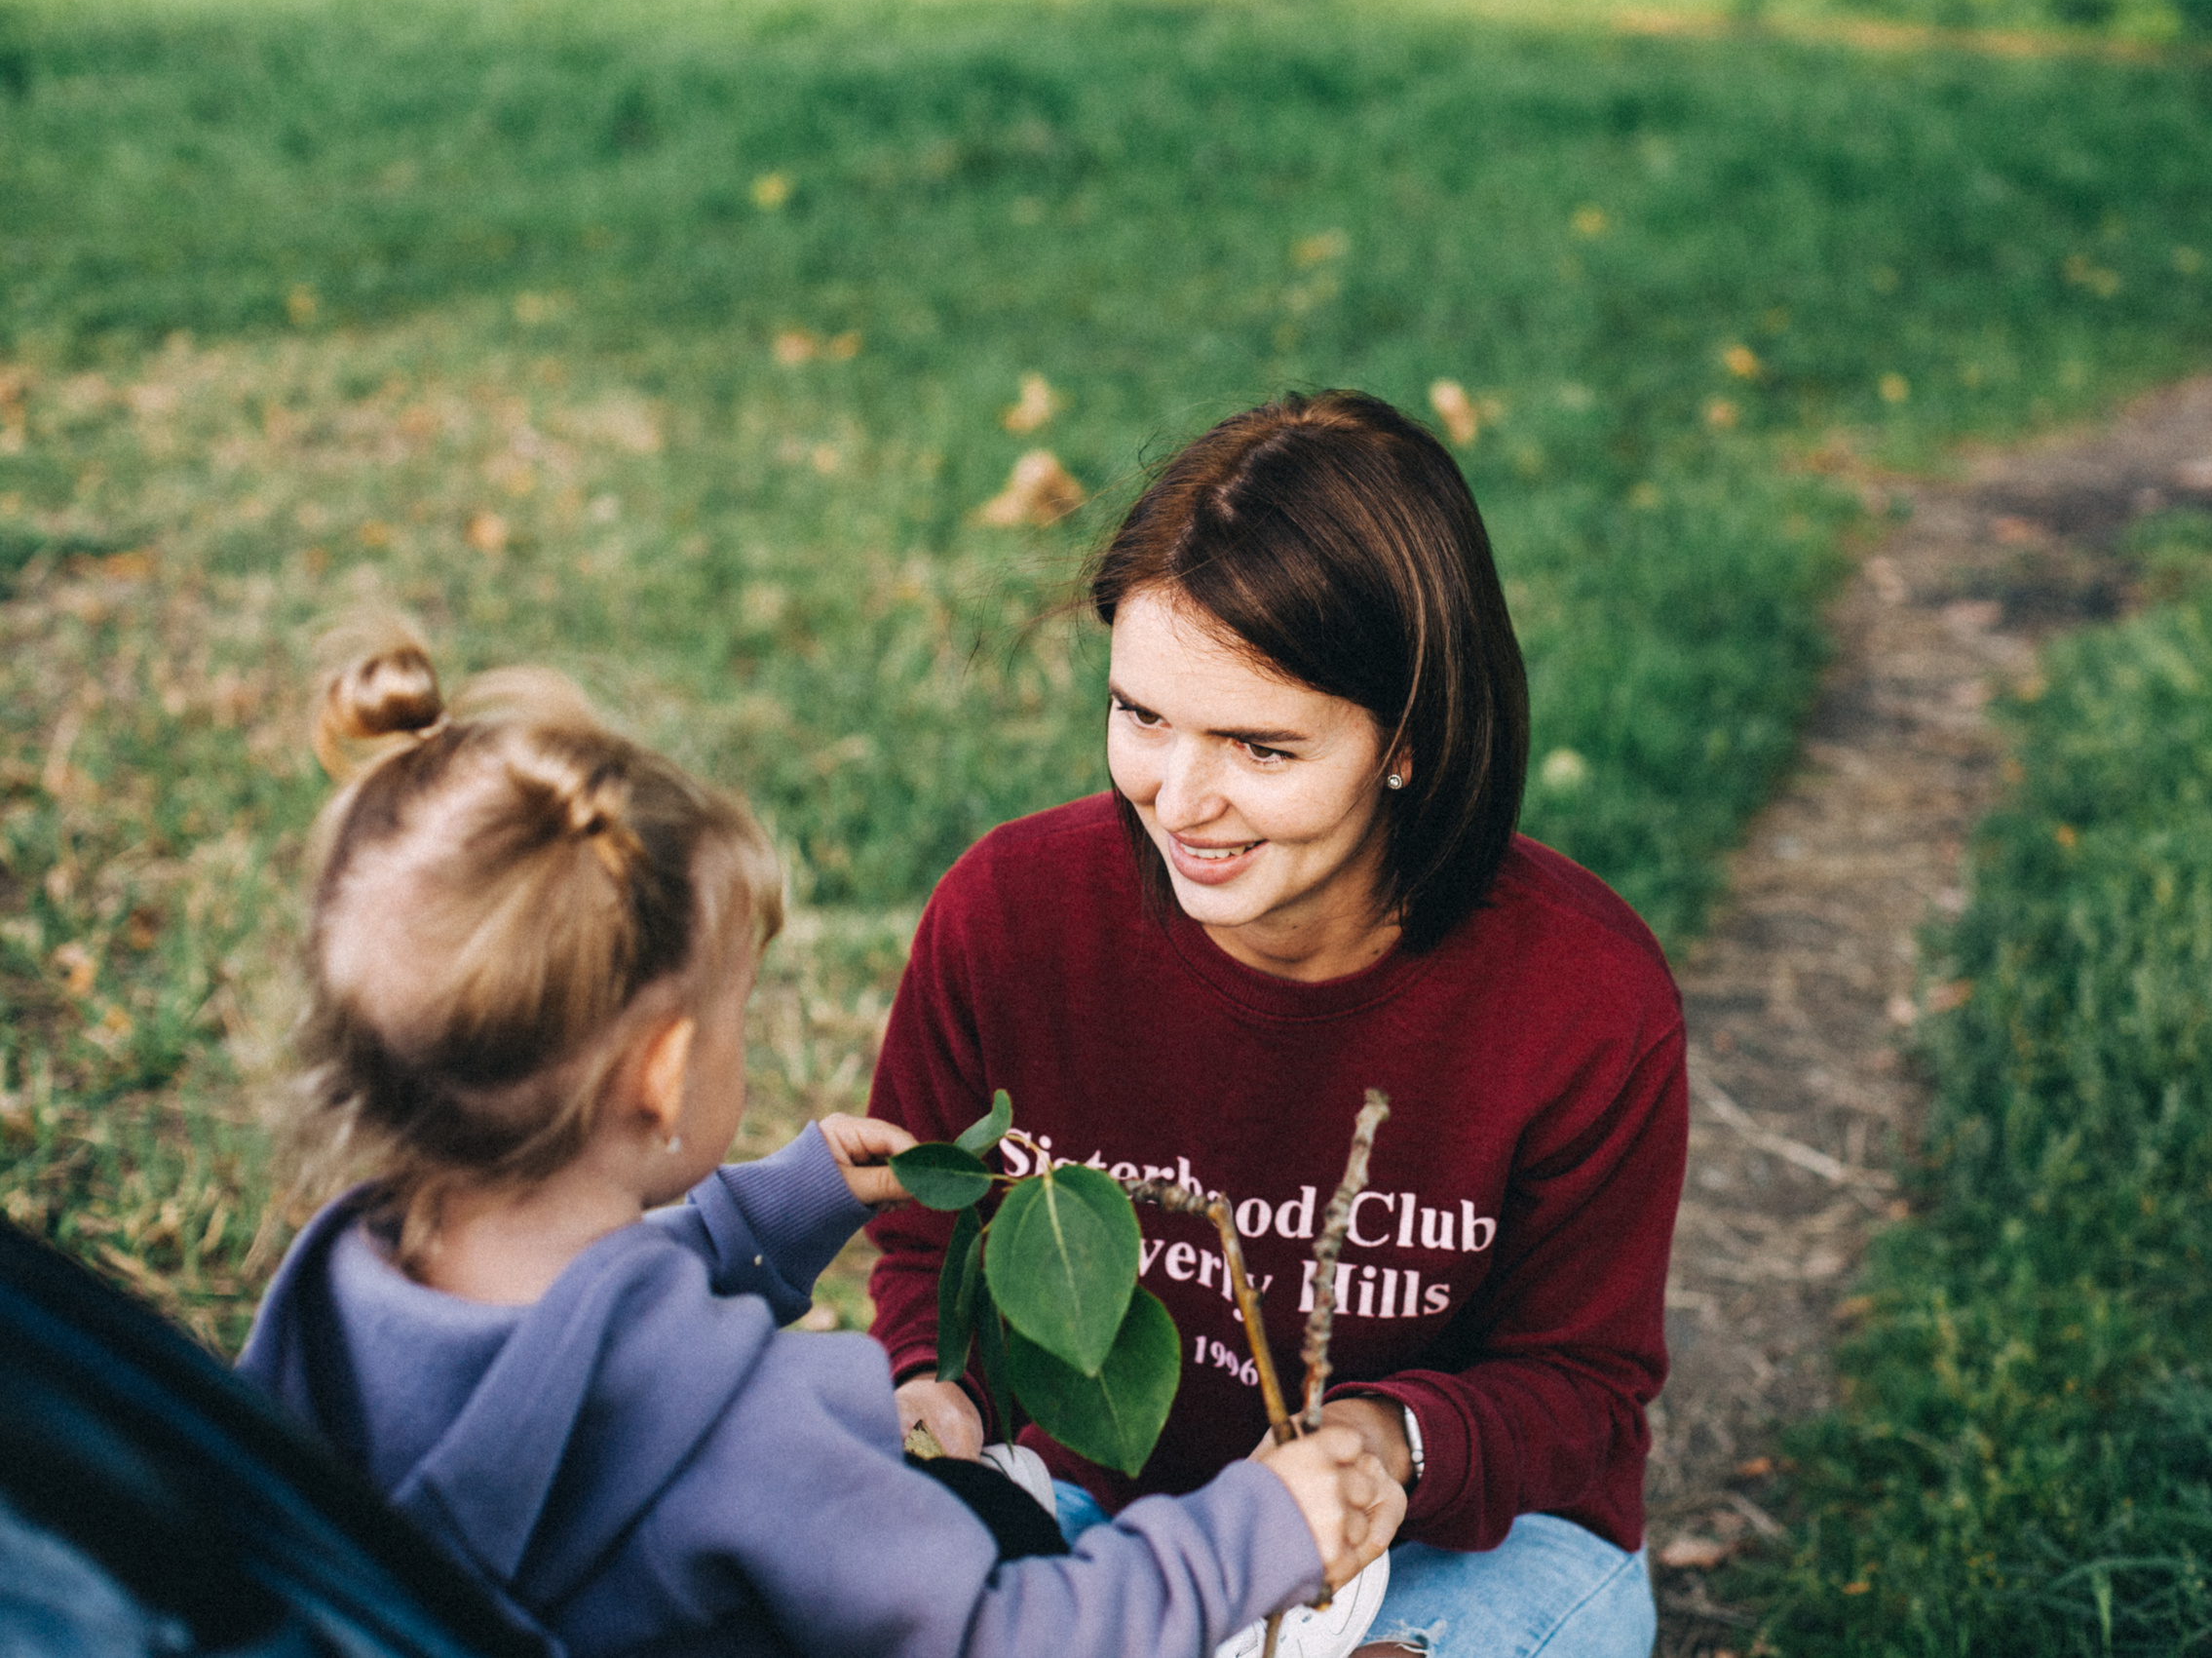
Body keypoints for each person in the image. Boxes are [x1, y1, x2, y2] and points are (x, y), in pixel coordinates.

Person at [235, 624, 1403, 1658]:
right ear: (664, 1074)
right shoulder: (745, 1434)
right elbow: (1008, 1636)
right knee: (1002, 1529)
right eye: (735, 1011)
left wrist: (762, 1216)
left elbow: (563, 1349)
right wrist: (1252, 1532)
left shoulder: (338, 1293)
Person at [867, 390, 1689, 1658]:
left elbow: (1582, 1384)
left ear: (1407, 740)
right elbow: (928, 1239)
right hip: (1101, 1508)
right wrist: (938, 1391)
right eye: (1142, 715)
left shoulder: (1580, 996)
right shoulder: (1013, 918)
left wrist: (1384, 1443)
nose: (1179, 798)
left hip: (1454, 1542)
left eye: (1259, 747)